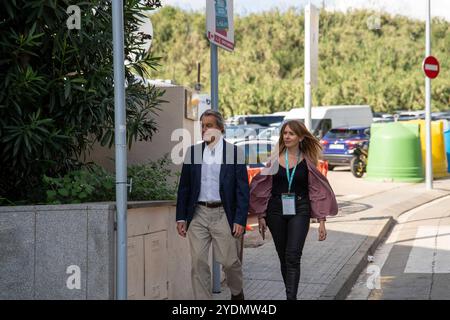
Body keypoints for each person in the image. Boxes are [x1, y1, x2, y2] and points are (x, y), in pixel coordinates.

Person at [249, 119, 338, 300]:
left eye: (291, 133)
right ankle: (291, 293)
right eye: (285, 133)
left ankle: (291, 298)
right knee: (284, 257)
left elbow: (317, 191)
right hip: (275, 211)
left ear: (300, 137)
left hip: (300, 209)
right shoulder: (274, 161)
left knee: (293, 255)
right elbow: (262, 188)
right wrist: (261, 215)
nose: (287, 136)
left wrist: (321, 221)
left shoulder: (308, 161)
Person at [176, 109, 249, 300]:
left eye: (209, 125)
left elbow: (242, 191)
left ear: (221, 128)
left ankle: (237, 292)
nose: (204, 129)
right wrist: (181, 217)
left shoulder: (234, 153)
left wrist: (240, 219)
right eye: (202, 126)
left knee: (229, 261)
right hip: (198, 213)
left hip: (223, 213)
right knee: (198, 262)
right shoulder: (194, 152)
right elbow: (184, 187)